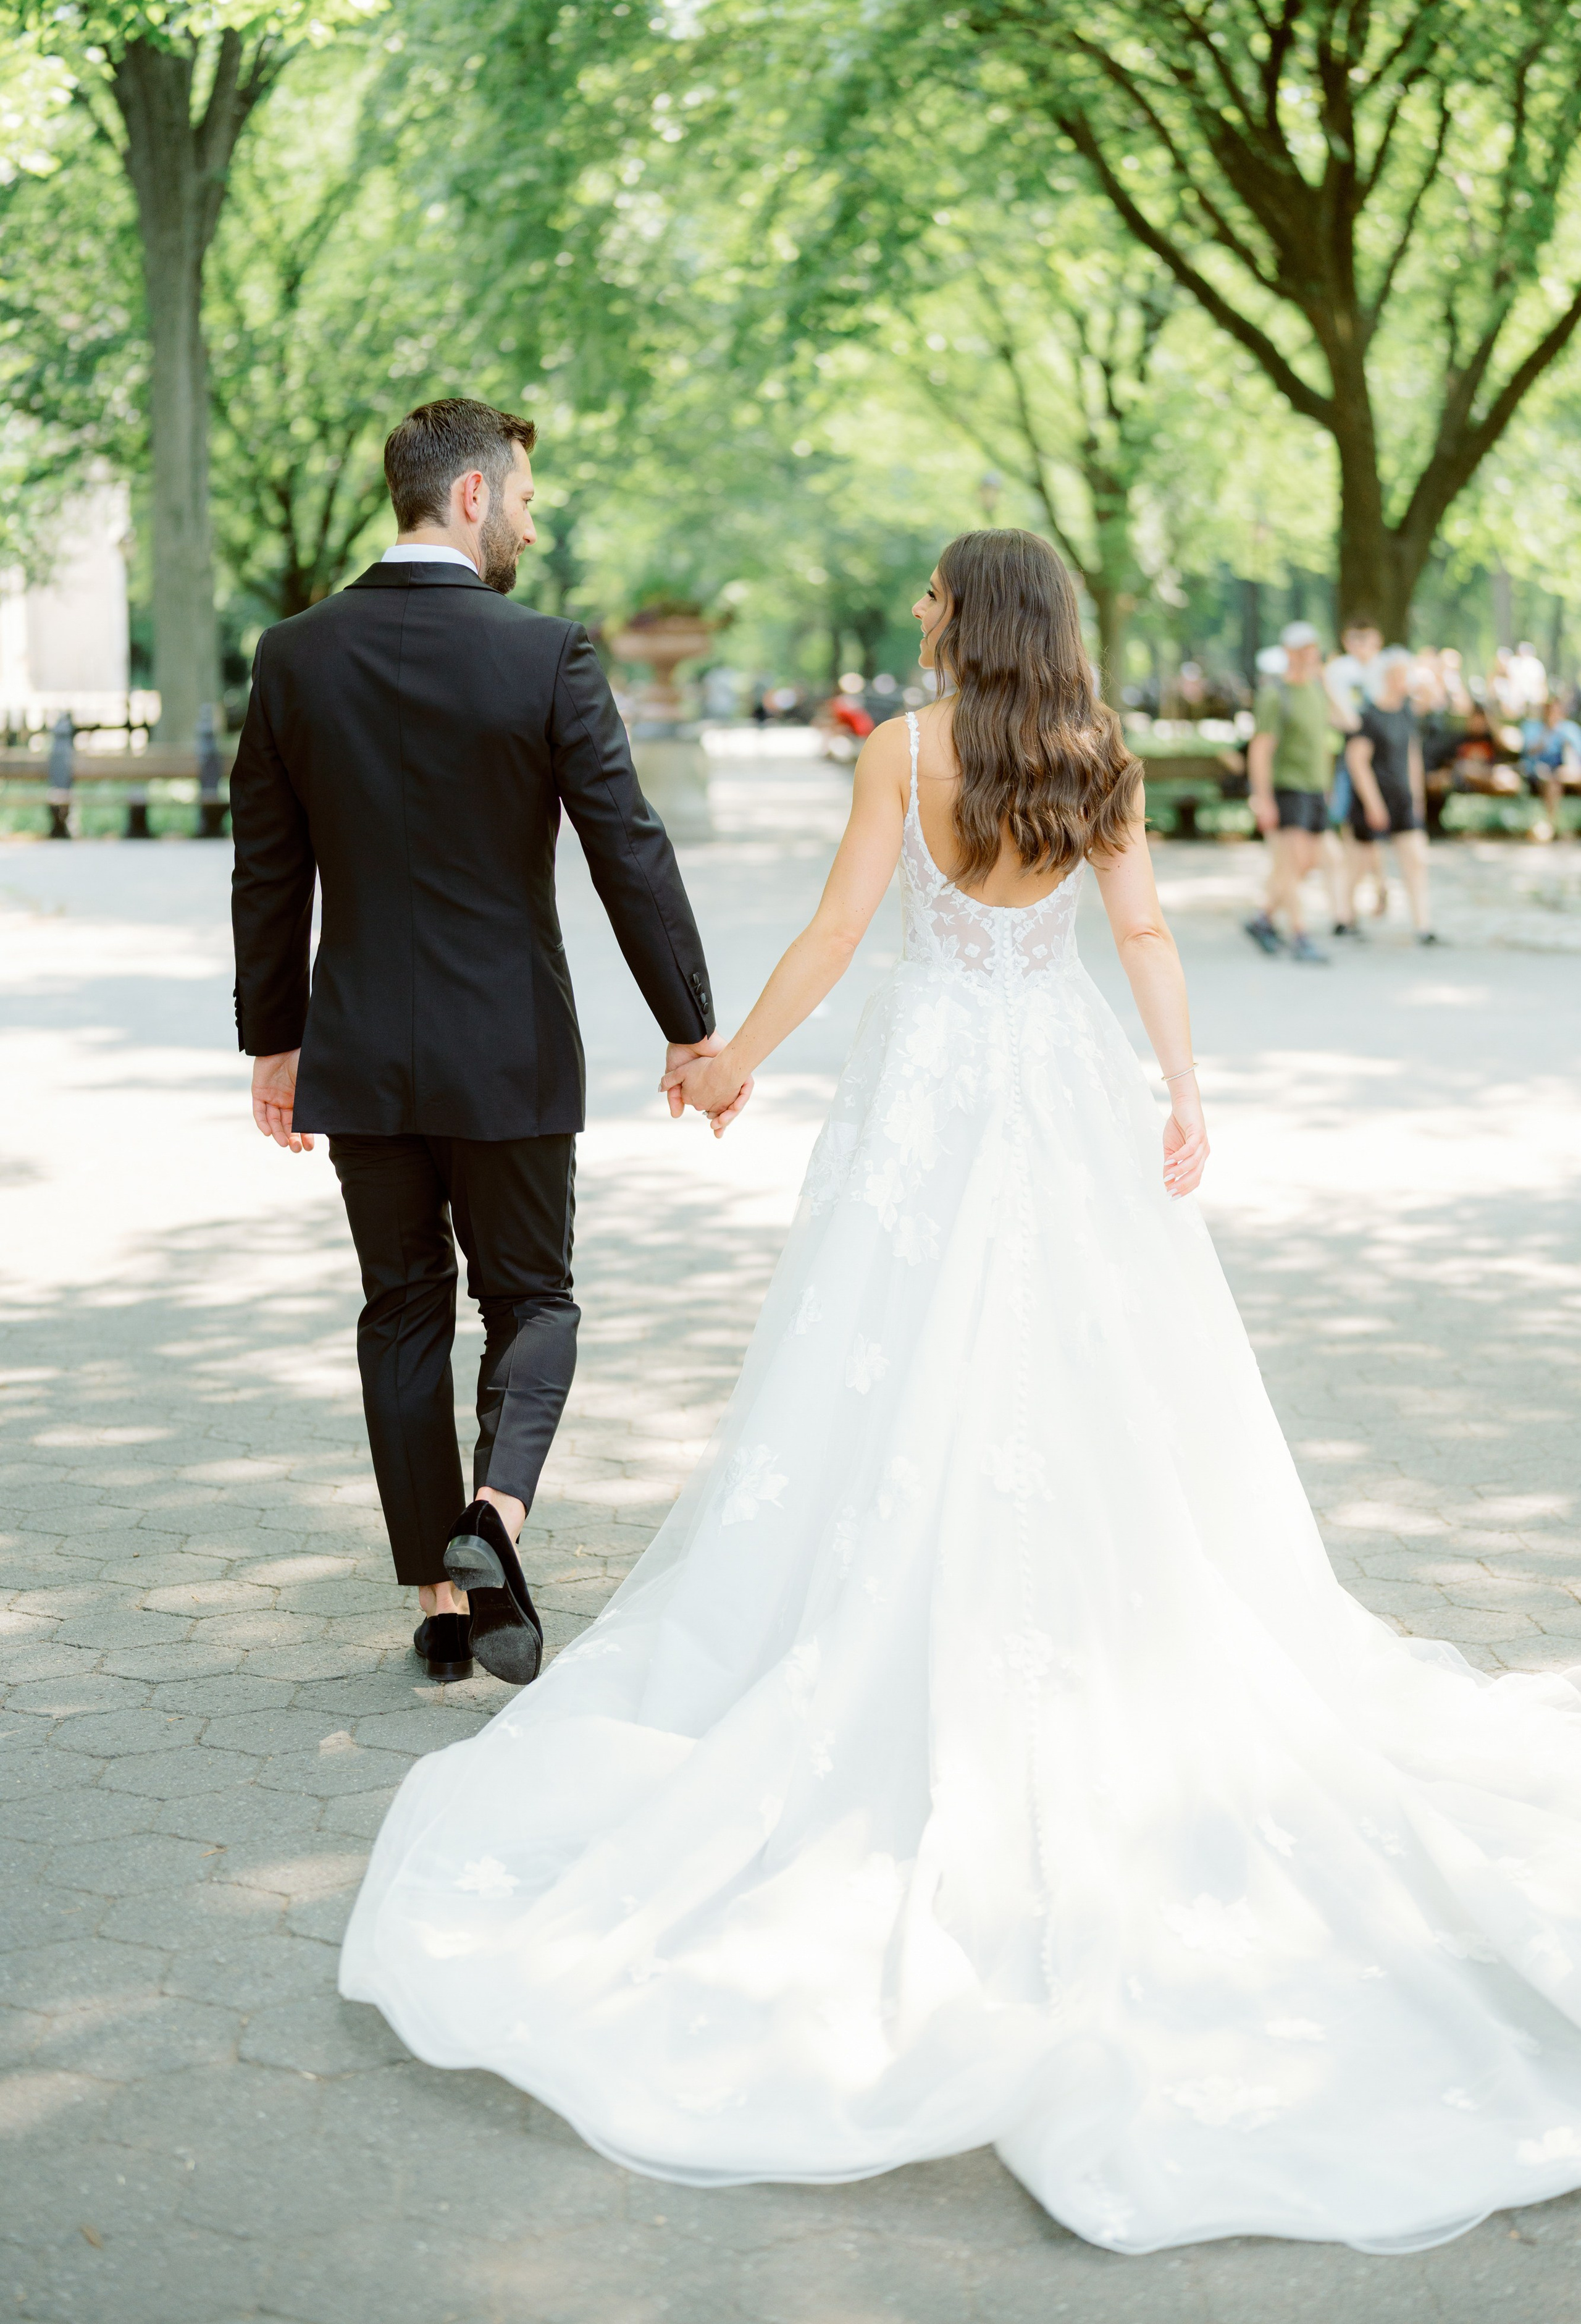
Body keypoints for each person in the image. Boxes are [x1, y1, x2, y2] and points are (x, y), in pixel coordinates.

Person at [342, 529, 1581, 2256]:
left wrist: (731, 1062)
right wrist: (1185, 1093)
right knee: (1092, 1376)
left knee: (892, 1369)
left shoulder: (903, 754)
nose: (918, 609)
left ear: (965, 614)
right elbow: (1141, 931)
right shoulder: (1096, 755)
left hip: (927, 1105)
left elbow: (846, 930)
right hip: (1059, 1089)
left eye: (930, 593)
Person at [230, 399, 744, 1687]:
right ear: (468, 497)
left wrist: (273, 1042)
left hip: (359, 1048)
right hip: (510, 1051)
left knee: (401, 1309)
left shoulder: (293, 655)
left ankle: (440, 1610)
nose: (530, 517)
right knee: (534, 1300)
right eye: (521, 494)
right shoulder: (545, 654)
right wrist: (690, 1023)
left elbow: (267, 872)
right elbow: (627, 848)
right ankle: (493, 1520)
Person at [1243, 620, 1343, 962]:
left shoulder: (1316, 690)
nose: (1308, 655)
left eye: (1312, 648)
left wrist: (1327, 682)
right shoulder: (1276, 694)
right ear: (1288, 653)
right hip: (1287, 788)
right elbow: (1260, 750)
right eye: (1301, 649)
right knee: (1289, 861)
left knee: (1307, 863)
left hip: (1315, 790)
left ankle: (1263, 917)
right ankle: (1301, 935)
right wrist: (1263, 798)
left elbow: (1347, 723)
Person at [1343, 646, 1439, 942]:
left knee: (1416, 861)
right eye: (1398, 674)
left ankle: (1423, 927)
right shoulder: (1369, 715)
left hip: (1402, 800)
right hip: (1372, 800)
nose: (1404, 679)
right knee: (1359, 866)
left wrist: (1417, 798)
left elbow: (1412, 757)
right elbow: (1357, 762)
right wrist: (1373, 804)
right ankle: (1345, 918)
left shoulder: (1408, 711)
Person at [1323, 617, 1385, 937]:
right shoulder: (1338, 673)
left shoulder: (1384, 670)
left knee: (1369, 837)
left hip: (1381, 759)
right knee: (1354, 836)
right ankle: (1348, 910)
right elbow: (1337, 720)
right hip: (1351, 758)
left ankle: (1370, 893)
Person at [1520, 694, 1581, 840]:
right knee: (1550, 779)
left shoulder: (1570, 729)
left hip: (1567, 773)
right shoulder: (1532, 727)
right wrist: (1547, 732)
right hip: (1539, 773)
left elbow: (1577, 756)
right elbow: (1528, 753)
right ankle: (1551, 826)